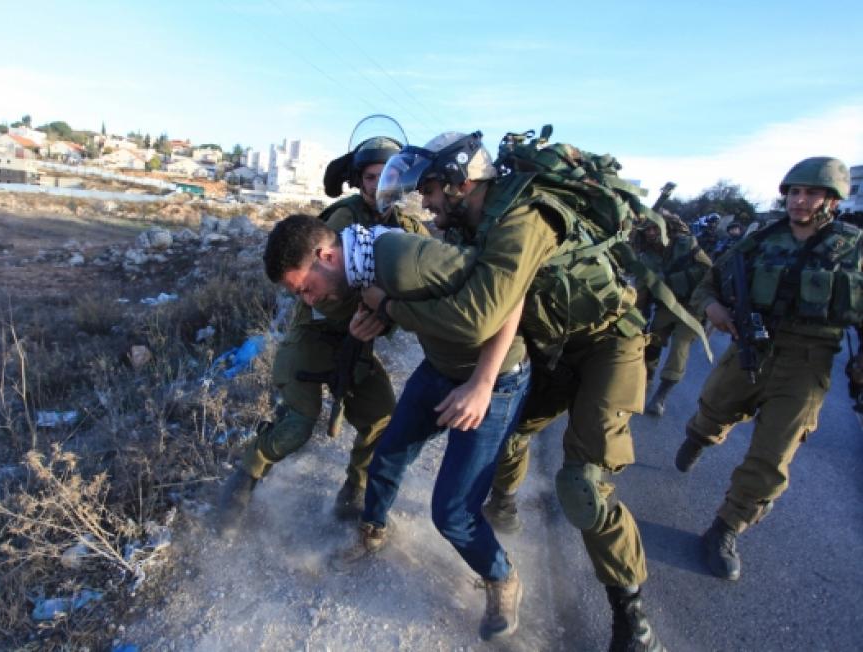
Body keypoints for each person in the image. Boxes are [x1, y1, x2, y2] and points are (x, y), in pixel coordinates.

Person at [368, 131, 664, 651]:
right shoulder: (474, 222)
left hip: (606, 343)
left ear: (458, 183)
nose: (427, 207)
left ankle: (631, 615)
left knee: (583, 486)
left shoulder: (523, 219)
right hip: (550, 346)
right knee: (511, 437)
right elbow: (506, 302)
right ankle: (504, 502)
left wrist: (391, 308)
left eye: (430, 192)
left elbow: (478, 315)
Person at [262, 213, 530, 641]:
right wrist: (377, 319)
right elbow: (423, 306)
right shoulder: (362, 268)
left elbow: (511, 290)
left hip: (493, 380)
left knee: (453, 513)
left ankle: (502, 577)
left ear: (326, 256)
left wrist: (481, 383)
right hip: (440, 369)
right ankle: (372, 531)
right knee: (387, 453)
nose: (309, 300)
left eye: (305, 288)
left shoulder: (399, 259)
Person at [217, 134, 427, 534]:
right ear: (359, 180)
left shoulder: (407, 227)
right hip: (314, 336)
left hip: (358, 341)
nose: (379, 185)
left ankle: (354, 493)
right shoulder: (343, 220)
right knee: (298, 425)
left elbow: (426, 279)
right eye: (371, 177)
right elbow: (317, 294)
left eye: (388, 176)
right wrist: (374, 311)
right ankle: (245, 479)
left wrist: (386, 317)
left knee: (381, 418)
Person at [675, 157, 860, 581]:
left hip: (805, 363)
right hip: (749, 347)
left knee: (773, 456)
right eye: (794, 192)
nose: (800, 200)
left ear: (832, 200)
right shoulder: (759, 241)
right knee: (712, 409)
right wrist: (713, 306)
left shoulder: (854, 248)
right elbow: (708, 283)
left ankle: (725, 528)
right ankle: (700, 437)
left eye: (811, 193)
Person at [633, 213, 713, 416]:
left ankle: (660, 396)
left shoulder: (686, 245)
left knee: (680, 348)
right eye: (647, 230)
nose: (652, 233)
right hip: (666, 306)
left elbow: (709, 272)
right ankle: (646, 379)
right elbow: (642, 287)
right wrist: (636, 314)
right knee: (652, 341)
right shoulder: (646, 256)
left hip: (691, 308)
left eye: (655, 228)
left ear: (666, 227)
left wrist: (672, 279)